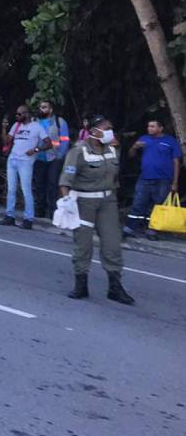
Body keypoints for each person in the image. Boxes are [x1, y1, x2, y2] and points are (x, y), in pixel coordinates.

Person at [59, 115, 133, 304]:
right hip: (84, 202)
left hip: (107, 202)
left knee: (112, 244)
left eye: (111, 128)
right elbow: (65, 181)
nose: (110, 132)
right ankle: (81, 285)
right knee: (83, 245)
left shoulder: (112, 149)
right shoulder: (78, 151)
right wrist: (67, 201)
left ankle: (115, 287)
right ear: (94, 131)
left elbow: (115, 178)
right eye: (106, 128)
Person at [124, 119, 182, 241]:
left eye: (152, 126)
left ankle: (152, 230)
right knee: (138, 203)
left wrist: (175, 182)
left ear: (160, 128)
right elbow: (130, 155)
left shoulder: (170, 141)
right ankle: (129, 229)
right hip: (145, 177)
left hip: (164, 179)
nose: (149, 128)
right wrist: (134, 147)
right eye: (148, 126)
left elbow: (176, 161)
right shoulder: (144, 139)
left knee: (158, 206)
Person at [0, 105, 51, 229]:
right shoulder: (16, 126)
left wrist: (36, 149)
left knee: (26, 190)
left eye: (20, 114)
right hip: (13, 159)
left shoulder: (37, 127)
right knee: (11, 189)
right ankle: (9, 216)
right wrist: (4, 128)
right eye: (17, 114)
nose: (17, 116)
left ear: (27, 114)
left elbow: (49, 143)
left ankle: (28, 219)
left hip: (25, 161)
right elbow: (6, 141)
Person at [32, 100, 70, 220]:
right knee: (39, 184)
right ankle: (39, 210)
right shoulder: (35, 121)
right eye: (40, 107)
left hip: (54, 157)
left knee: (52, 184)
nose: (41, 109)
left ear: (50, 109)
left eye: (44, 107)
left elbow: (64, 139)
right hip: (38, 157)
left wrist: (60, 155)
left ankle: (52, 211)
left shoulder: (59, 122)